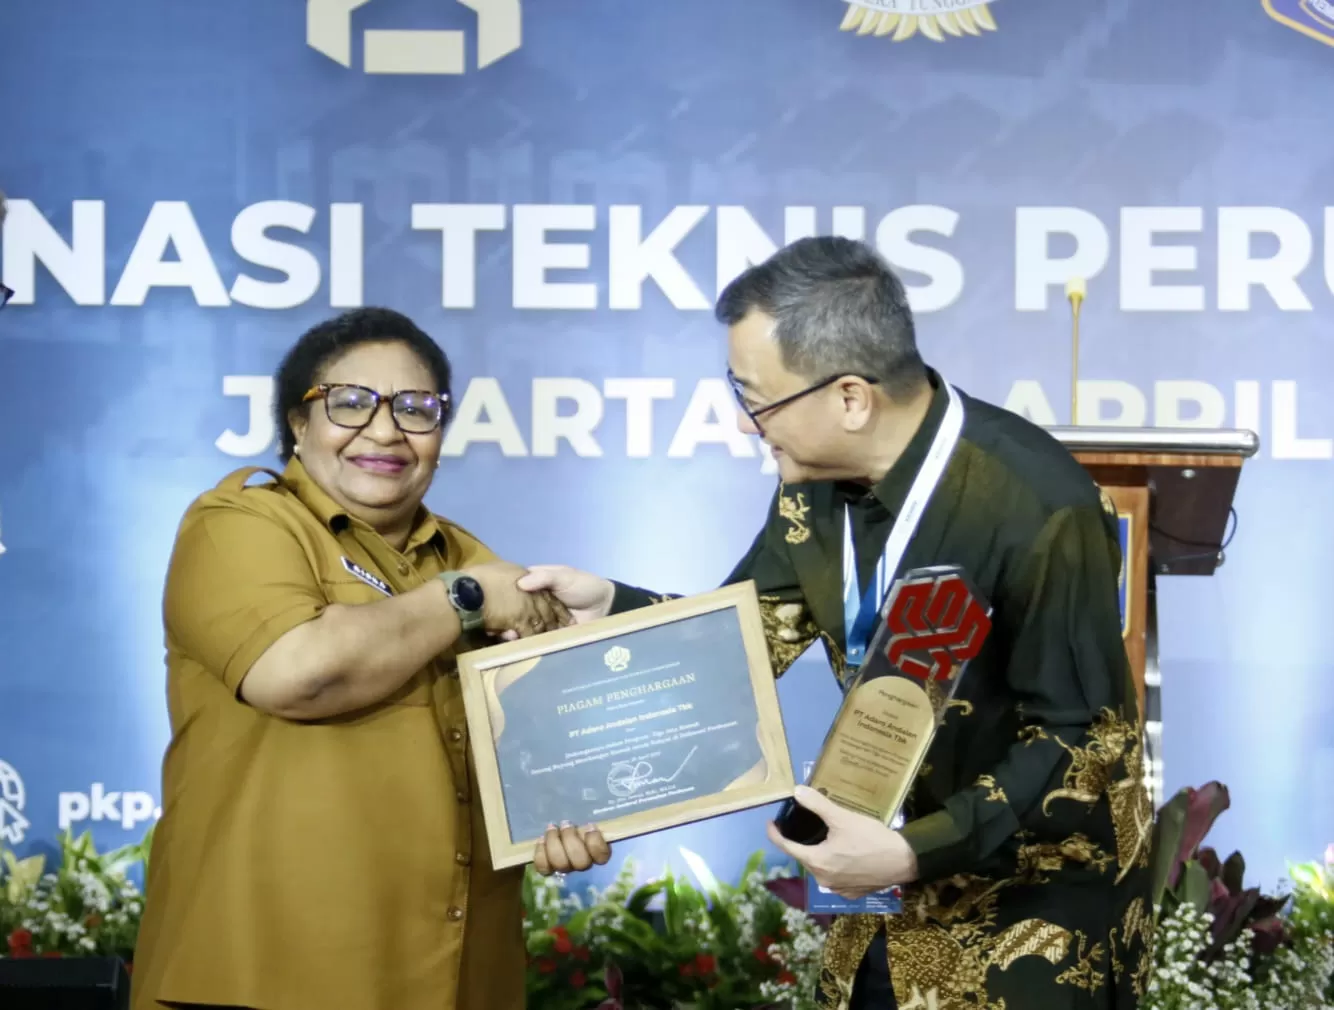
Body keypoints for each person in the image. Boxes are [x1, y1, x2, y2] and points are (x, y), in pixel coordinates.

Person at [520, 237, 1154, 1009]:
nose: (750, 424)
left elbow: (1082, 736)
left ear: (850, 397)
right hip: (868, 904)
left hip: (1025, 927)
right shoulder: (811, 493)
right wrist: (611, 607)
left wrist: (911, 851)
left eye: (756, 396)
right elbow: (753, 634)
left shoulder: (1034, 505)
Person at [130, 308, 609, 1010]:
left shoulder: (465, 555)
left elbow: (552, 733)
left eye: (417, 410)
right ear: (298, 422)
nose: (385, 431)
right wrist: (465, 599)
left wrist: (567, 811)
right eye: (350, 404)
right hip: (261, 976)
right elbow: (298, 672)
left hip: (456, 977)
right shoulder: (239, 525)